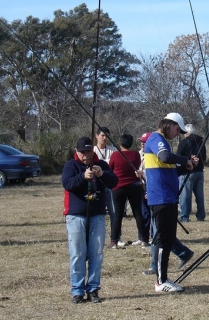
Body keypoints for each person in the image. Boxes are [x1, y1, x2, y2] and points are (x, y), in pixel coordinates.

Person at [144, 113, 197, 292]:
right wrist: (184, 159)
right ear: (169, 124)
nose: (177, 133)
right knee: (163, 240)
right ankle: (161, 281)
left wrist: (187, 166)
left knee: (166, 239)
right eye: (177, 129)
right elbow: (166, 157)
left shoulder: (163, 141)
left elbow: (170, 171)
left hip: (168, 197)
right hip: (161, 197)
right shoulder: (155, 139)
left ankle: (163, 278)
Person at [62, 136, 118, 304]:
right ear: (76, 152)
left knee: (97, 253)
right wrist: (82, 177)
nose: (86, 155)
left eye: (88, 152)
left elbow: (114, 182)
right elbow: (67, 183)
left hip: (97, 214)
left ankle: (93, 289)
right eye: (82, 152)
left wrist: (102, 175)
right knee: (78, 253)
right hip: (76, 215)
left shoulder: (101, 165)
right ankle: (77, 290)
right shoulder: (71, 165)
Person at [108, 134, 148, 249]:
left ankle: (114, 241)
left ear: (120, 143)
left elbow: (111, 168)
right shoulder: (135, 154)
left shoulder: (115, 155)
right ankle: (144, 239)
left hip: (119, 186)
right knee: (137, 213)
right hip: (134, 186)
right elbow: (137, 165)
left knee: (118, 215)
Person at [93, 127, 124, 247]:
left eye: (107, 136)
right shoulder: (92, 150)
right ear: (96, 136)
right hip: (97, 185)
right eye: (102, 135)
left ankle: (116, 237)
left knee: (114, 212)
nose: (104, 138)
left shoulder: (113, 151)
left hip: (110, 185)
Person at [177, 124, 207, 222]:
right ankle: (201, 216)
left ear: (186, 133)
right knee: (200, 196)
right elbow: (205, 157)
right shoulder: (201, 142)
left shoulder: (183, 142)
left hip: (187, 172)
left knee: (185, 196)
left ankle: (184, 216)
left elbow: (178, 157)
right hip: (200, 172)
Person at [132, 132, 152, 247]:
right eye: (141, 142)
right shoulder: (138, 155)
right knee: (142, 212)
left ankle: (153, 237)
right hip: (139, 187)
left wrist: (142, 173)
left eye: (145, 142)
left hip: (150, 186)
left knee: (151, 213)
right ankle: (142, 237)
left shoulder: (153, 155)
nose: (142, 144)